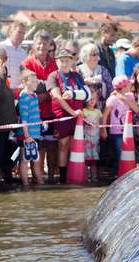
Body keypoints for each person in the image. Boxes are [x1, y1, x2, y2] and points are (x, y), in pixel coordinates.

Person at [47, 48, 91, 183]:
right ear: (57, 62)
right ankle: (62, 177)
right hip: (62, 115)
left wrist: (78, 110)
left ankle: (76, 175)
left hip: (77, 116)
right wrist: (72, 112)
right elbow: (58, 98)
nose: (65, 64)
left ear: (72, 62)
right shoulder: (53, 76)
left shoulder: (76, 76)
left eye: (67, 61)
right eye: (62, 61)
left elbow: (86, 95)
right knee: (63, 144)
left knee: (75, 144)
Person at [22, 30, 59, 182]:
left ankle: (50, 176)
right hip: (33, 114)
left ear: (50, 45)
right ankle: (38, 177)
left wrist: (46, 93)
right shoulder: (27, 63)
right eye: (39, 43)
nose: (42, 46)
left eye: (45, 43)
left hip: (52, 112)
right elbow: (29, 89)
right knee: (37, 147)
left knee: (51, 146)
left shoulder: (55, 63)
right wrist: (45, 94)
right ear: (34, 44)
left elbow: (58, 85)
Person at [100, 75, 139, 169]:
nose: (131, 86)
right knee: (120, 153)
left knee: (130, 151)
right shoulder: (112, 99)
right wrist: (103, 130)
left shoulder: (130, 96)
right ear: (124, 87)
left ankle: (129, 170)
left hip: (128, 131)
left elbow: (136, 109)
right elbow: (104, 115)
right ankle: (121, 172)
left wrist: (125, 98)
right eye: (129, 84)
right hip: (117, 132)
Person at [17, 69, 43, 186]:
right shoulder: (24, 97)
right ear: (25, 82)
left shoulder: (34, 96)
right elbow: (24, 118)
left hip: (35, 133)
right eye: (32, 82)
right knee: (25, 159)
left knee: (35, 160)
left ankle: (39, 182)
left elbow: (34, 114)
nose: (35, 84)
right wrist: (26, 136)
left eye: (36, 81)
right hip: (27, 135)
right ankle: (25, 184)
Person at [0, 45, 16, 186]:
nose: (4, 62)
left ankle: (7, 181)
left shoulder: (2, 77)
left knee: (5, 157)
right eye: (1, 59)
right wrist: (2, 73)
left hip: (5, 126)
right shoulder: (0, 77)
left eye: (5, 58)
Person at [77, 42, 113, 109]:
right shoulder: (78, 70)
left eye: (97, 54)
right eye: (93, 54)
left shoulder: (103, 70)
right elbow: (76, 88)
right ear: (85, 56)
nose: (96, 56)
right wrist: (84, 82)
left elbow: (111, 89)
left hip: (101, 108)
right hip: (83, 108)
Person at [2, 21, 28, 92]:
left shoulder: (24, 54)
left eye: (23, 33)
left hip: (18, 92)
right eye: (19, 32)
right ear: (10, 32)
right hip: (2, 91)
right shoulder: (1, 47)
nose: (22, 35)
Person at [82, 90, 102, 182]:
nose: (92, 101)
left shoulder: (98, 111)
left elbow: (102, 123)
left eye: (94, 99)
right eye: (89, 99)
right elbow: (82, 121)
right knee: (86, 159)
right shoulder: (84, 111)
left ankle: (94, 177)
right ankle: (85, 177)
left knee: (94, 159)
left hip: (96, 139)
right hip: (86, 139)